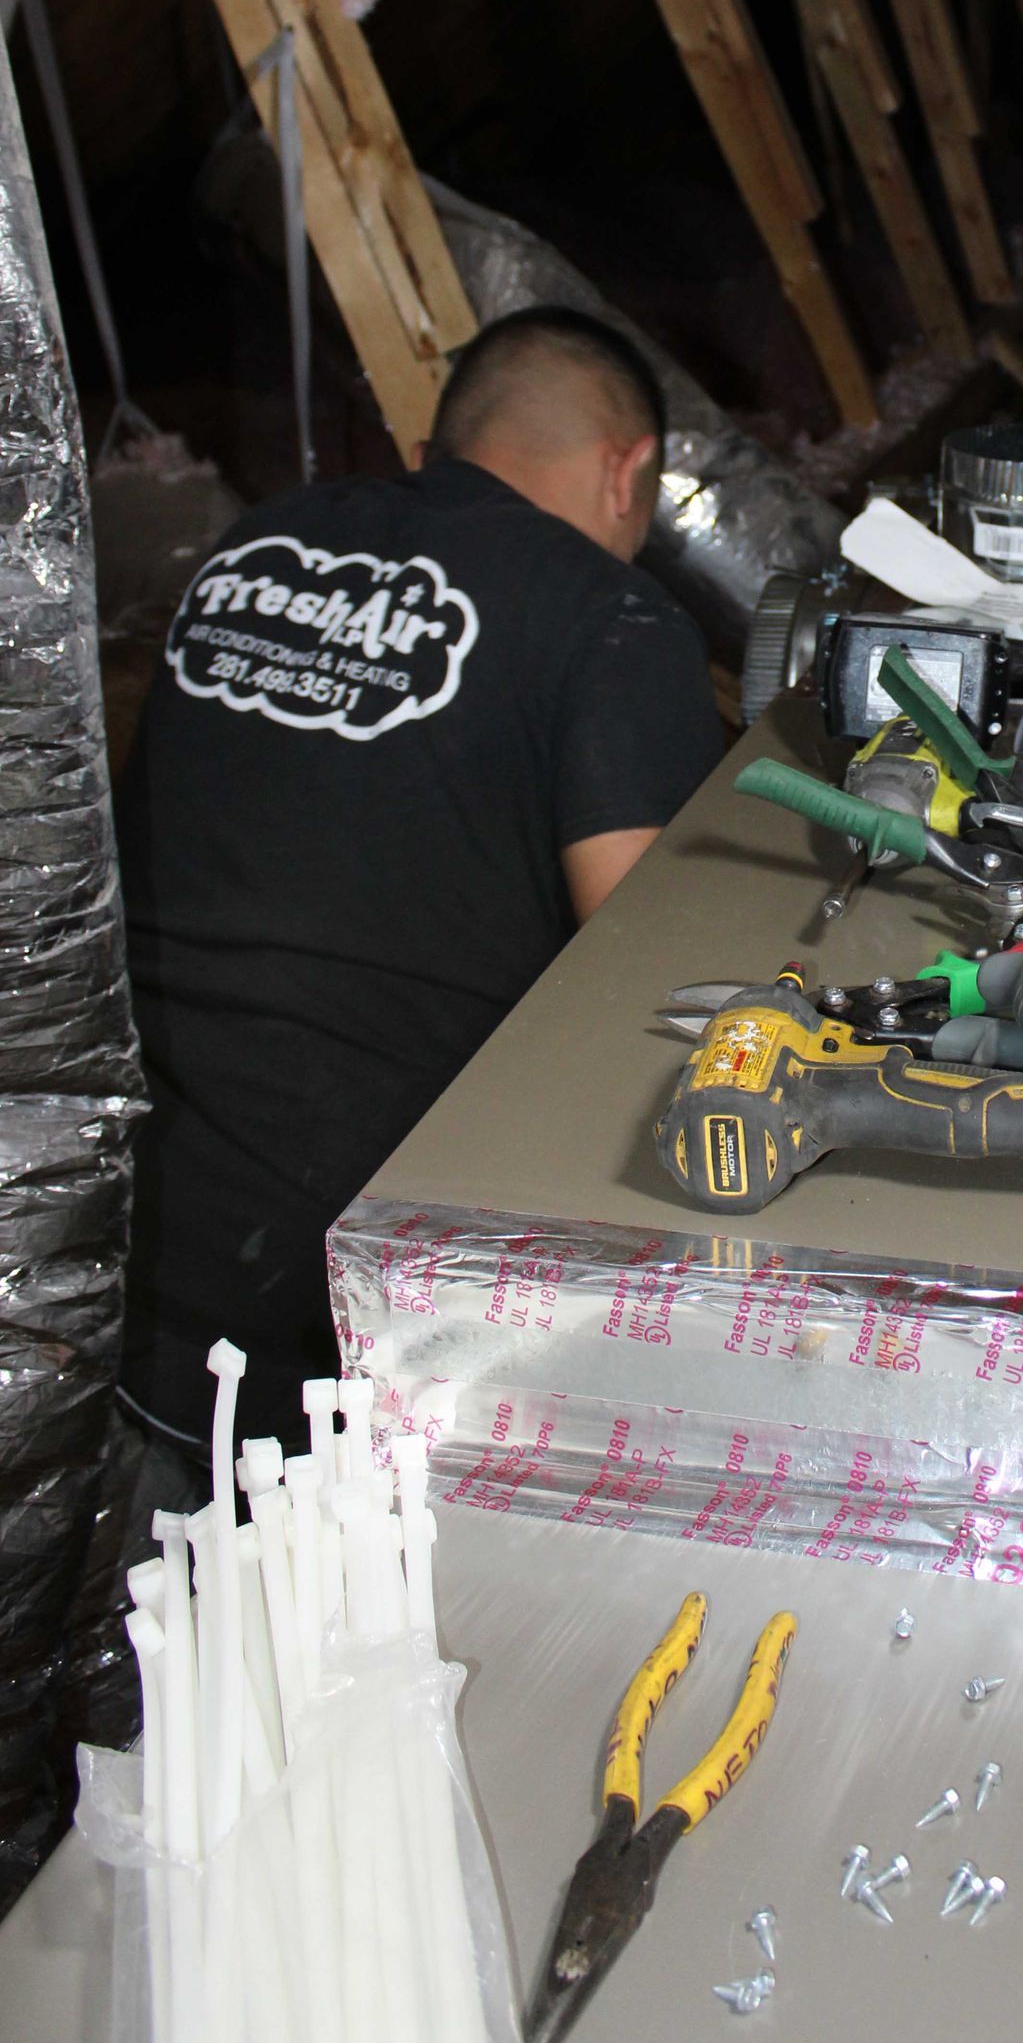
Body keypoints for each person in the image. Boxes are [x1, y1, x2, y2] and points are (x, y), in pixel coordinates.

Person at [112, 303, 725, 1459]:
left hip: (122, 1257)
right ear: (627, 466)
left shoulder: (253, 552)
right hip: (353, 1337)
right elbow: (659, 984)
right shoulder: (609, 614)